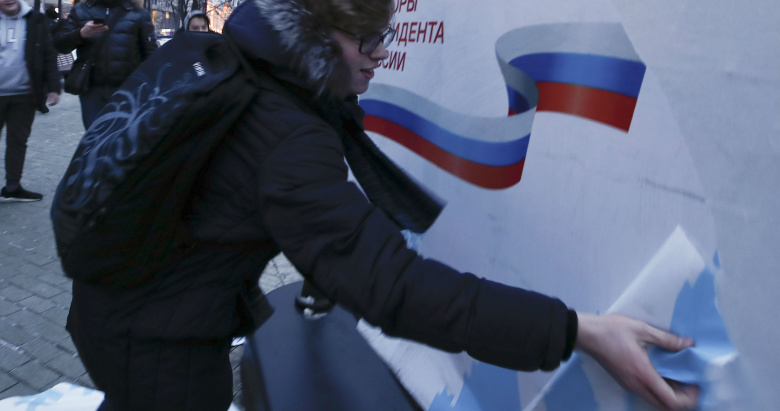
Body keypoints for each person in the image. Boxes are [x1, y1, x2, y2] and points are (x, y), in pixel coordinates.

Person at [63, 0, 700, 410]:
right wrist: (578, 330)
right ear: (314, 36)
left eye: (385, 35)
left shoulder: (240, 69)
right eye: (367, 40)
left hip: (113, 308)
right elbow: (394, 288)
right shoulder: (284, 132)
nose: (383, 55)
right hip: (161, 351)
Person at [51, 0, 156, 129]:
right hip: (92, 90)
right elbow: (60, 45)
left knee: (121, 136)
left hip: (127, 90)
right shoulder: (81, 10)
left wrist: (149, 87)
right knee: (94, 135)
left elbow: (151, 54)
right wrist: (80, 34)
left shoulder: (138, 12)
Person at [0, 0, 60, 202]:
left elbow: (48, 54)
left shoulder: (36, 20)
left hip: (24, 95)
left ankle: (12, 187)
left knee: (18, 141)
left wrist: (53, 87)